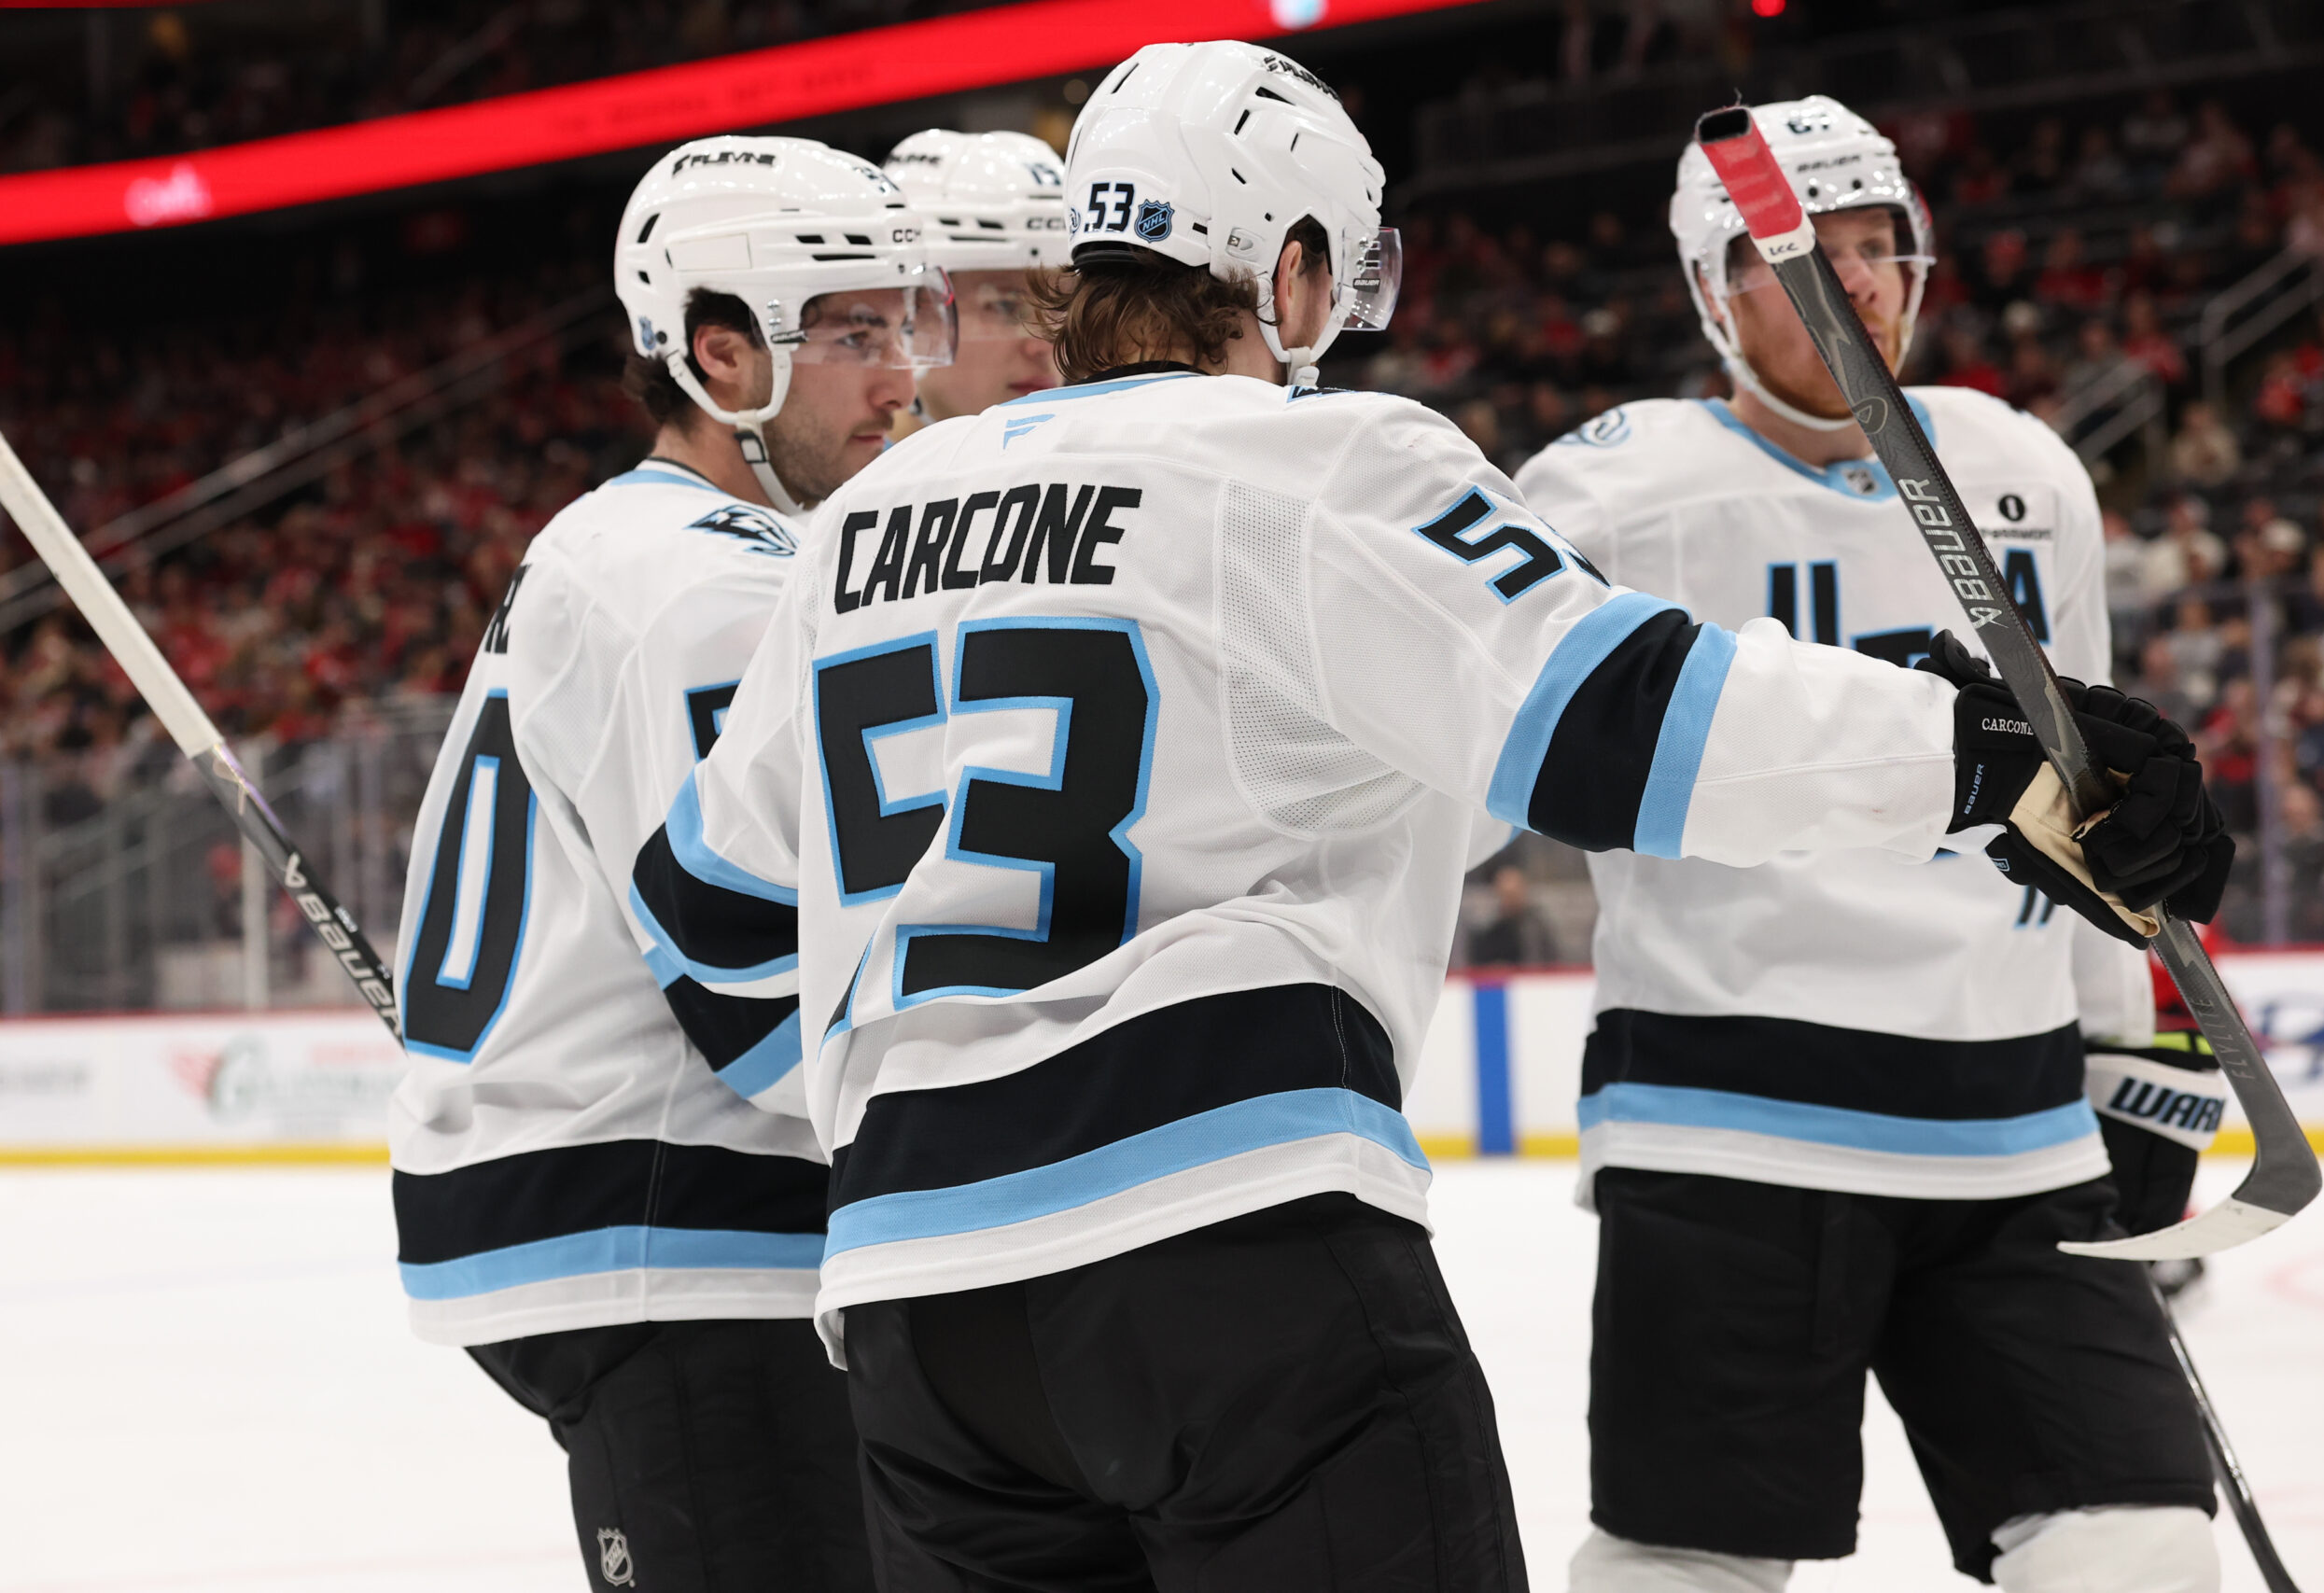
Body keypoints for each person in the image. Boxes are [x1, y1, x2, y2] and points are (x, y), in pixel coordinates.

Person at [631, 47, 2228, 1591]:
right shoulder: (1320, 461)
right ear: (1299, 267)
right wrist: (1993, 747)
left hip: (921, 1312)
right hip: (1226, 1255)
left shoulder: (866, 528)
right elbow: (1637, 722)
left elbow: (701, 899)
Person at [1516, 96, 2232, 1593]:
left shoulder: (2023, 469)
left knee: (2144, 1542)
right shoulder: (1611, 494)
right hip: (1725, 1115)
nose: (1854, 286)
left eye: (1875, 246)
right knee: (1688, 1563)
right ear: (1715, 291)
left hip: (2012, 1127)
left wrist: (2135, 1063)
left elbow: (2103, 819)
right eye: (1798, 258)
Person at [386, 134, 953, 1593]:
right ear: (720, 354)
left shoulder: (639, 543)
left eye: (906, 323)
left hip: (630, 1196)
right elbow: (757, 979)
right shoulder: (708, 579)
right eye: (850, 334)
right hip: (672, 1227)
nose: (903, 373)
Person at [884, 128, 1068, 424]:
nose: (1045, 346)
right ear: (905, 315)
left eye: (1062, 306)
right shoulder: (840, 470)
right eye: (1005, 306)